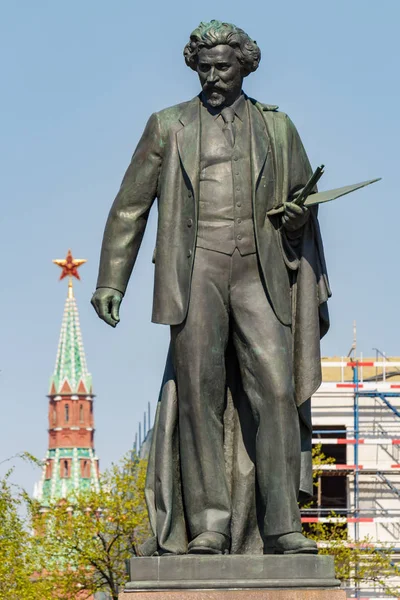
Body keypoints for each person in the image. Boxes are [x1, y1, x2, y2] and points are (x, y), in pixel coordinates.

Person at [91, 20, 331, 556]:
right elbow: (130, 206)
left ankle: (282, 524)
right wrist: (112, 279)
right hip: (194, 271)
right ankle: (210, 525)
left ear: (245, 64)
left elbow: (302, 213)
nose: (213, 76)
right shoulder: (169, 125)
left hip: (259, 271)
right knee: (199, 396)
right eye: (204, 67)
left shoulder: (278, 127)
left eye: (223, 66)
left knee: (275, 390)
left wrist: (295, 218)